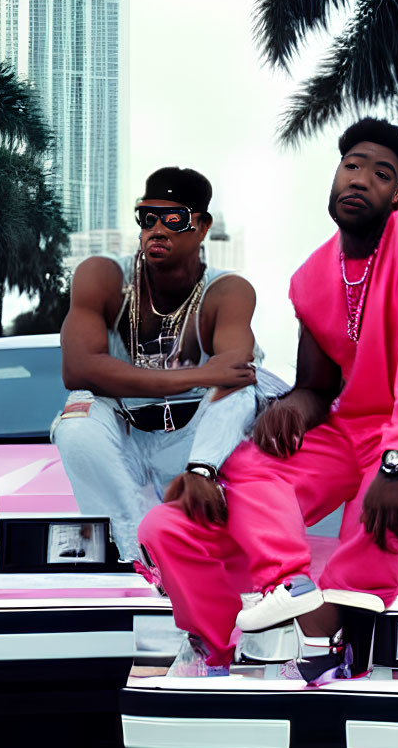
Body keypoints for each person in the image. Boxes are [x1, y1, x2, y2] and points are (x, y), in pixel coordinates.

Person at [138, 118, 398, 677]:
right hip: (344, 430)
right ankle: (246, 627)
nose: (361, 179)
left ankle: (323, 646)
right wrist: (291, 406)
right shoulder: (311, 277)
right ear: (336, 176)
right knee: (185, 510)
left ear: (397, 193)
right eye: (352, 166)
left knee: (374, 528)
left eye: (380, 173)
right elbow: (318, 387)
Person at [53, 166, 288, 563]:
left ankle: (202, 476)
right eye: (147, 218)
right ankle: (138, 553)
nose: (157, 230)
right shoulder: (102, 276)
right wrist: (199, 374)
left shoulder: (226, 291)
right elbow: (77, 369)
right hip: (124, 436)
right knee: (75, 421)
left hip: (196, 440)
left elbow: (235, 372)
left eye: (173, 219)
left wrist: (209, 384)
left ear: (201, 226)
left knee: (243, 390)